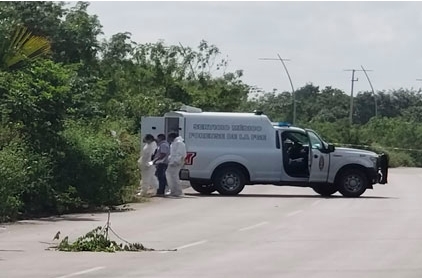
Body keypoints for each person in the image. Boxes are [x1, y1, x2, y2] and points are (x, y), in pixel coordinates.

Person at [166, 132, 187, 197]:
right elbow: (172, 154)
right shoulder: (174, 143)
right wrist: (169, 159)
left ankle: (178, 191)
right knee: (169, 175)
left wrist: (175, 161)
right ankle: (173, 190)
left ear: (172, 137)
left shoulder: (179, 143)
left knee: (174, 176)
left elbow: (179, 154)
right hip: (172, 162)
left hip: (176, 163)